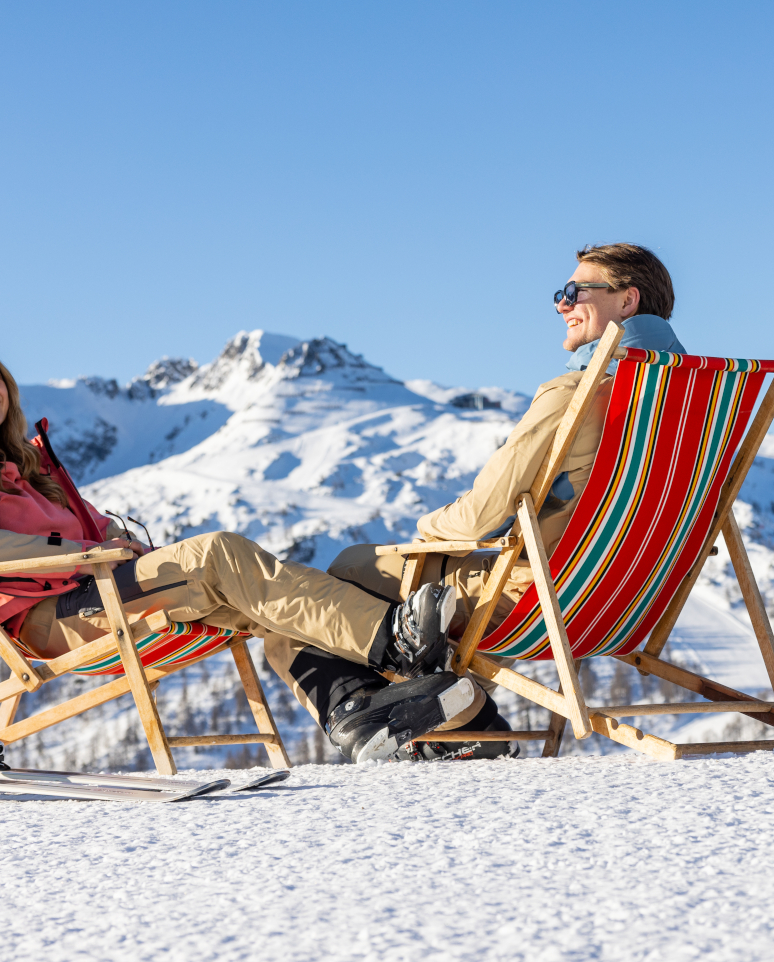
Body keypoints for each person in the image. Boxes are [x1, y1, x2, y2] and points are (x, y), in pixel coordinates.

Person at [0, 341, 475, 765]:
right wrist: (82, 552)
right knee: (219, 556)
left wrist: (108, 538)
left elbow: (83, 527)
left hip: (93, 589)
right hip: (56, 616)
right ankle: (395, 638)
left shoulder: (19, 460)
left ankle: (356, 712)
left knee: (270, 601)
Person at [262, 243, 687, 760]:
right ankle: (445, 720)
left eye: (576, 291)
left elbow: (481, 515)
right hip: (635, 596)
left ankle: (447, 724)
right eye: (561, 294)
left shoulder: (578, 390)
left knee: (347, 572)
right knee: (358, 605)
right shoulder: (694, 401)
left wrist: (426, 528)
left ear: (627, 301)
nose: (561, 304)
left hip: (542, 600)